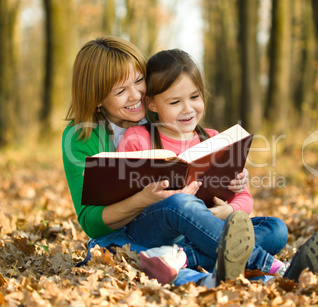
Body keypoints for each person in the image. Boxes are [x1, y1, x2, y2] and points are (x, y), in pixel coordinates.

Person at [116, 48, 318, 283]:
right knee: (181, 202)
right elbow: (122, 201)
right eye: (174, 102)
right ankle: (274, 268)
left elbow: (245, 199)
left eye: (194, 97)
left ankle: (180, 258)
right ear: (151, 103)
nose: (188, 109)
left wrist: (229, 210)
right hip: (155, 230)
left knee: (276, 228)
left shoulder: (214, 139)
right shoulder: (137, 139)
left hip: (205, 234)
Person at [62, 36, 251, 286]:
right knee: (175, 216)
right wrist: (143, 199)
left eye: (139, 80)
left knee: (273, 229)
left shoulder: (162, 116)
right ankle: (260, 264)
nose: (136, 95)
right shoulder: (81, 137)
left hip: (182, 231)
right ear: (97, 98)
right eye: (120, 91)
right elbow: (92, 224)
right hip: (125, 236)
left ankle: (185, 262)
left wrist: (232, 181)